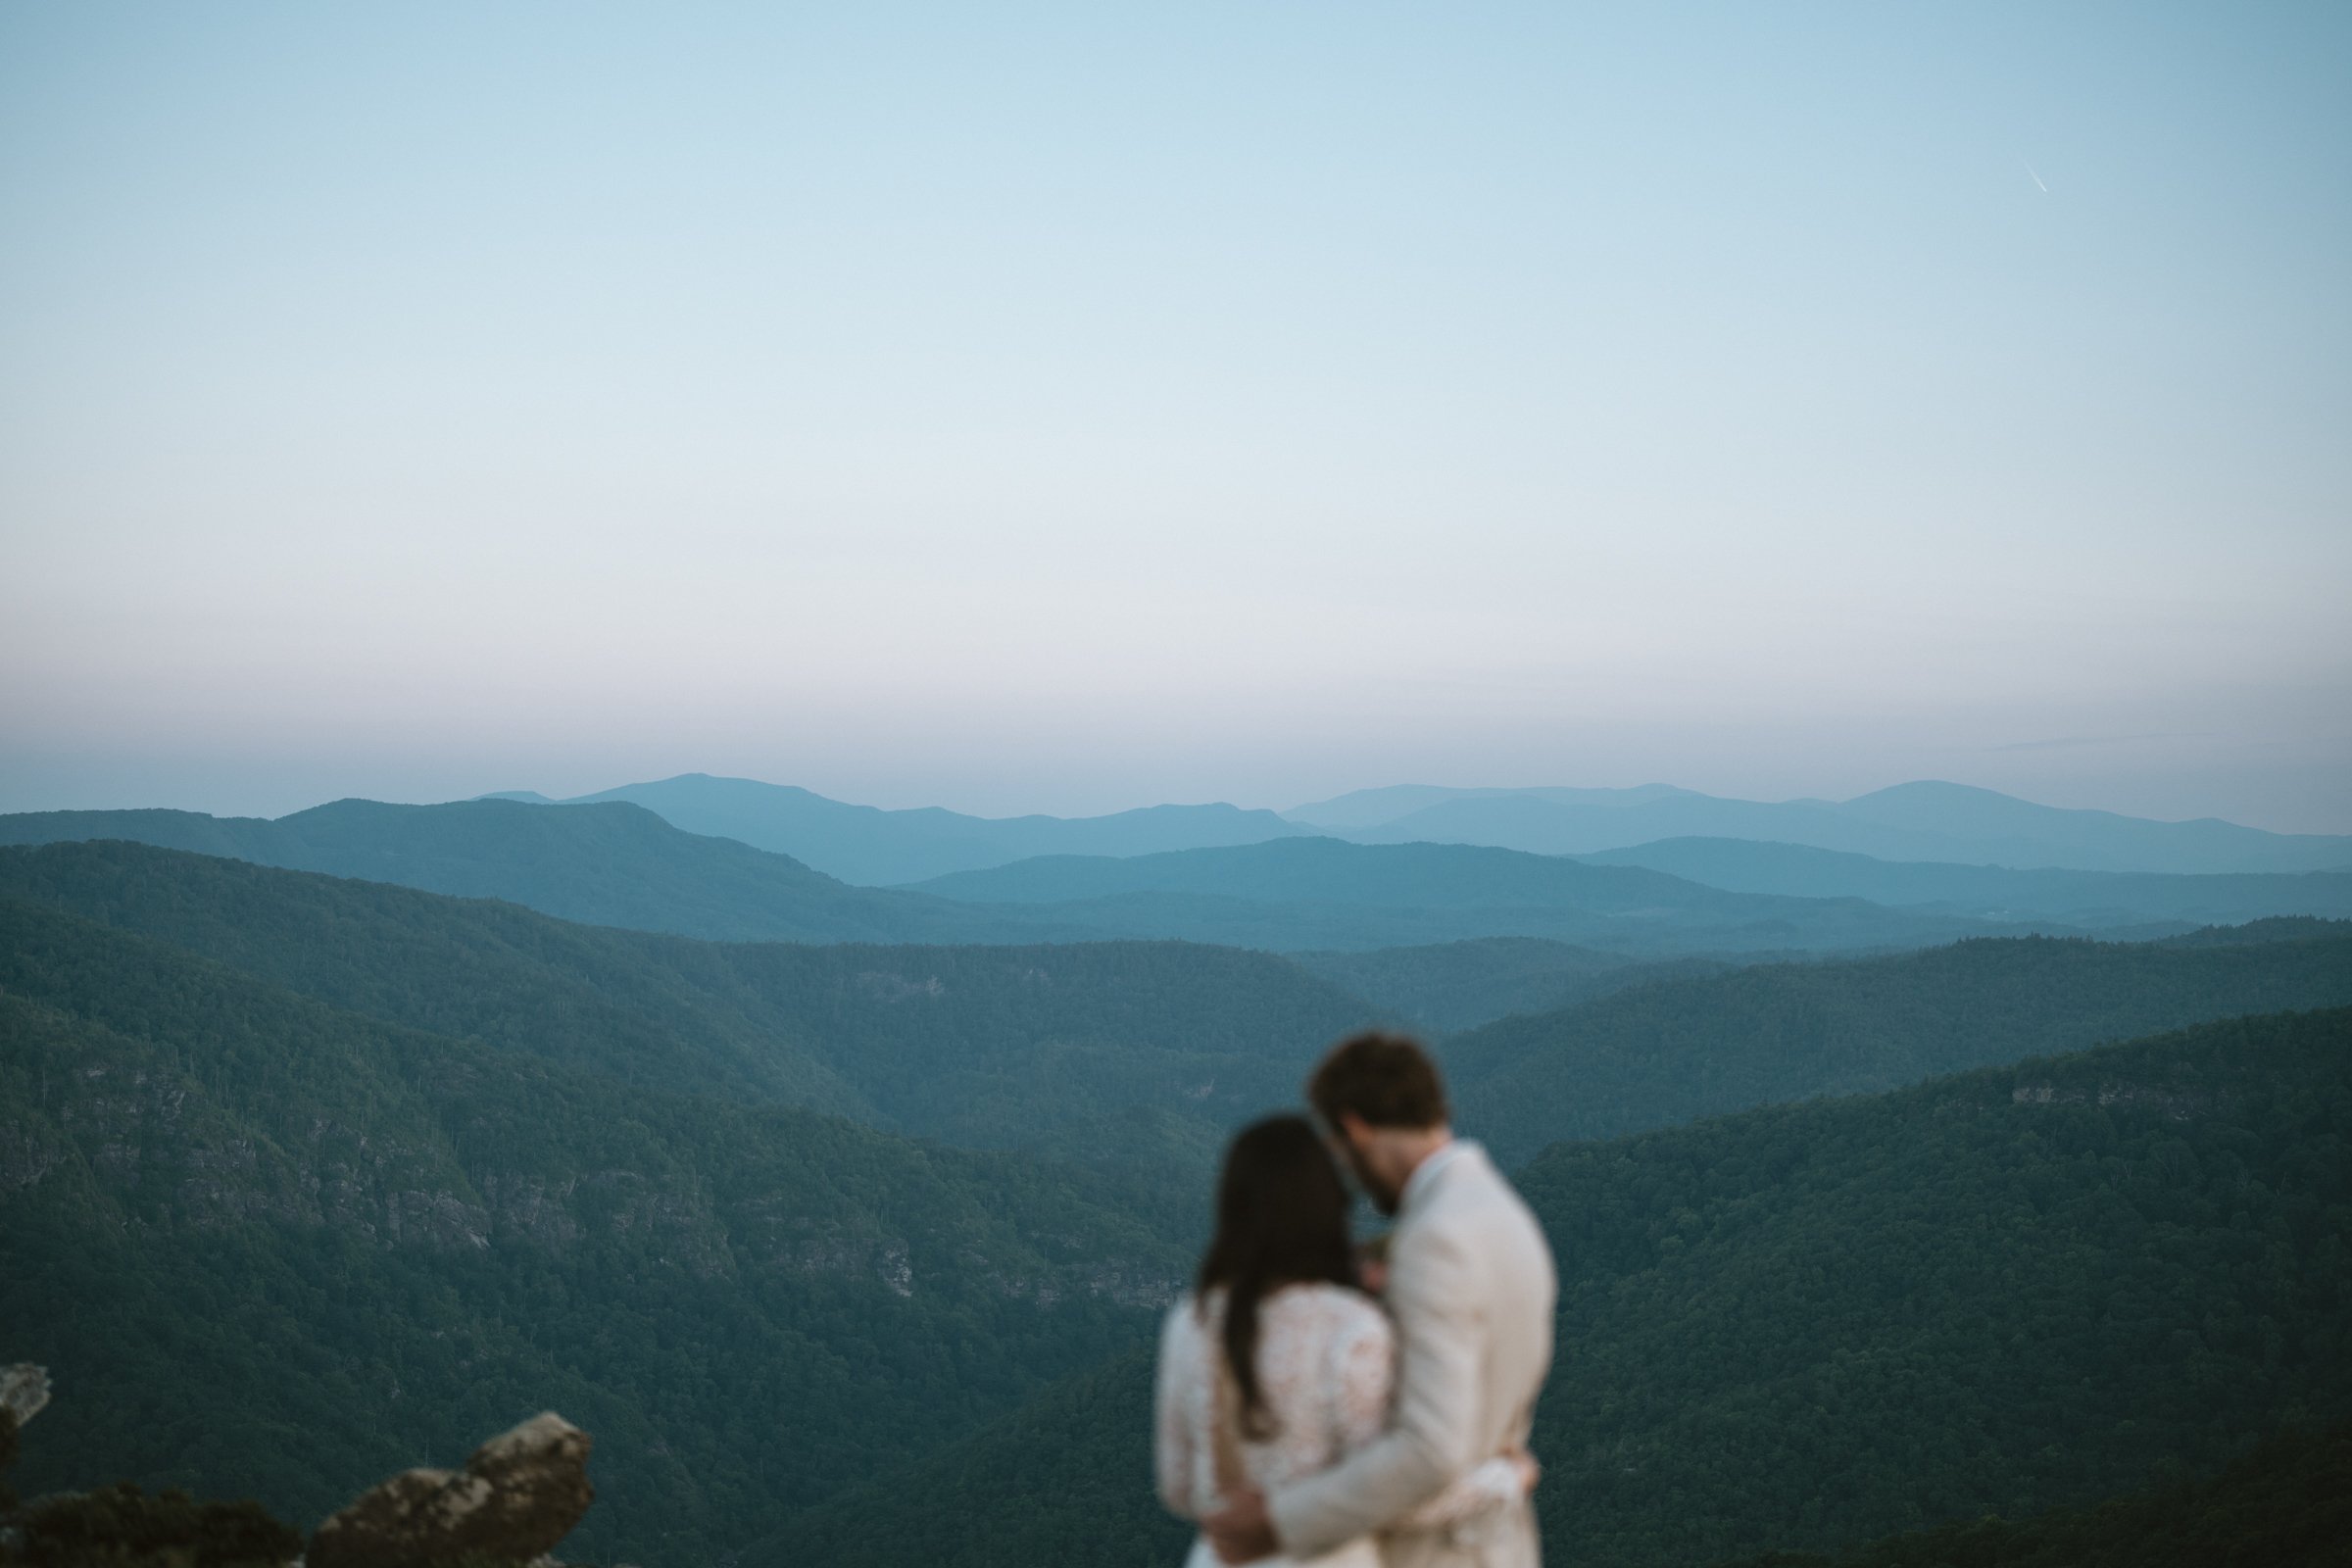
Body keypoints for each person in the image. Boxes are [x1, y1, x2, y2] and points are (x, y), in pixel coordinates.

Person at [1203, 1033, 1557, 1568]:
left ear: (1355, 1127)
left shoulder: (1436, 1241)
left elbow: (1430, 1452)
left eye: (1341, 1152)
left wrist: (1279, 1521)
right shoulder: (1502, 1212)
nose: (1349, 1173)